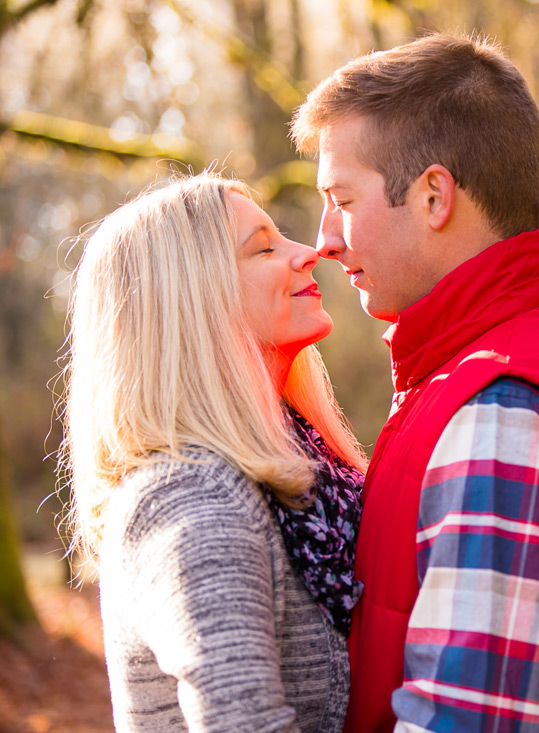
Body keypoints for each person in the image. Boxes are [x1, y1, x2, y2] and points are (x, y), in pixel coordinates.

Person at [291, 33, 539, 732]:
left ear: (435, 194)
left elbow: (464, 720)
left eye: (342, 199)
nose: (324, 240)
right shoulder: (468, 374)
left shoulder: (509, 409)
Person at [60, 173, 367, 732]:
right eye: (265, 248)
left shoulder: (297, 465)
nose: (311, 252)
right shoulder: (191, 496)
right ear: (193, 300)